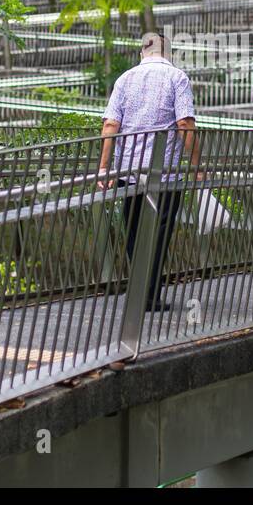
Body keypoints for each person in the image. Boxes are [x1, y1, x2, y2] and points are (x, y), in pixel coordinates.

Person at [97, 31, 199, 312]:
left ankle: (141, 289)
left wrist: (104, 168)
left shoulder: (124, 79)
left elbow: (110, 125)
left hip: (128, 172)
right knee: (159, 233)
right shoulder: (177, 78)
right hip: (164, 176)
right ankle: (148, 295)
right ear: (168, 53)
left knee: (133, 231)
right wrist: (197, 167)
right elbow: (185, 124)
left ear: (142, 53)